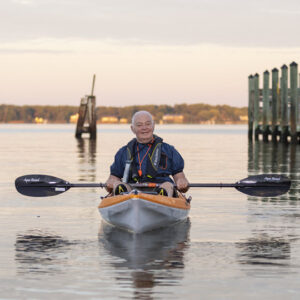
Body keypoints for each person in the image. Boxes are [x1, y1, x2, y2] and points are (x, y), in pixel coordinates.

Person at [105, 110, 189, 196]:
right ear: (132, 129)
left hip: (161, 188)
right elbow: (113, 178)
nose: (144, 128)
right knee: (118, 184)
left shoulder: (169, 150)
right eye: (139, 125)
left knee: (167, 186)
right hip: (131, 191)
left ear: (153, 126)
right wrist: (111, 182)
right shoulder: (123, 152)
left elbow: (180, 177)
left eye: (148, 124)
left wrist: (181, 181)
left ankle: (162, 197)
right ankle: (123, 198)